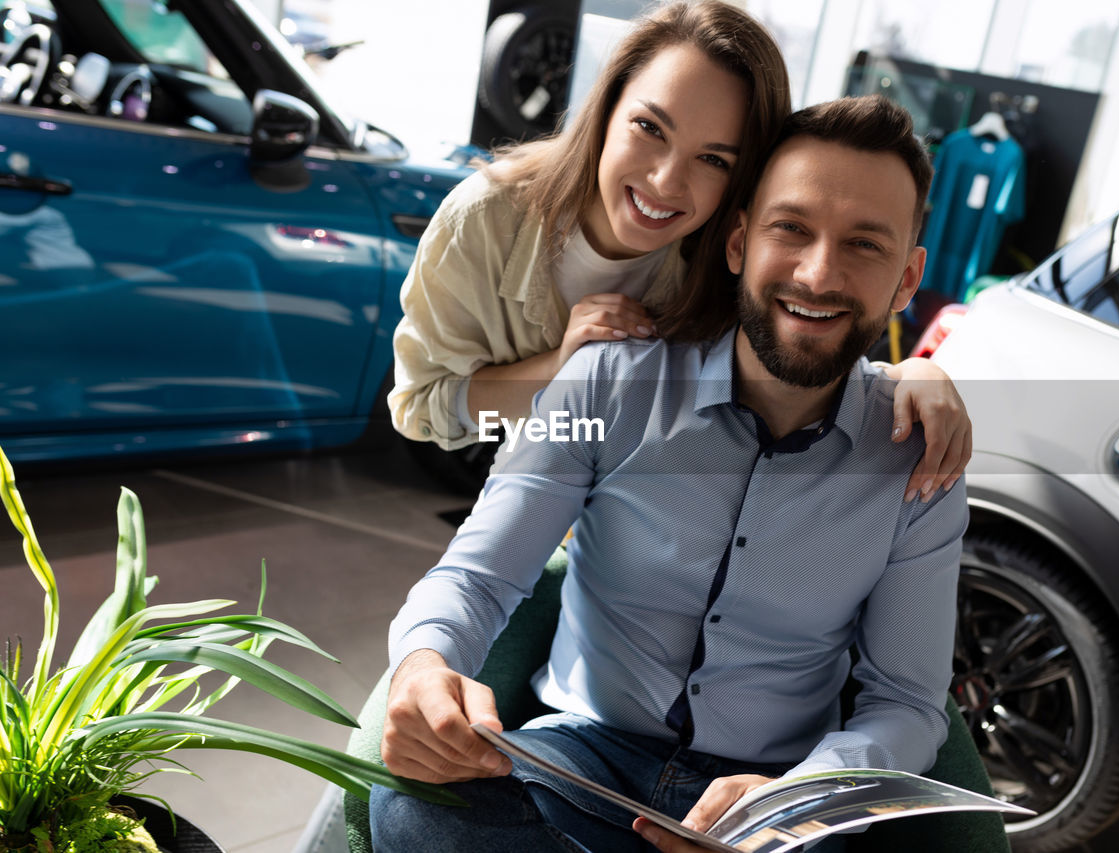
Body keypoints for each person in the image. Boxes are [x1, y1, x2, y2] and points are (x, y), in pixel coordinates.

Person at [371, 94, 967, 853]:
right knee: (420, 819)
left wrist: (801, 796)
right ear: (739, 242)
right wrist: (425, 661)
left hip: (776, 798)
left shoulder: (921, 454)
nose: (819, 273)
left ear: (907, 279)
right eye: (791, 229)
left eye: (864, 245)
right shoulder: (607, 384)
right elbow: (478, 575)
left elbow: (907, 703)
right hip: (581, 761)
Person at [388, 0, 970, 502]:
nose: (667, 182)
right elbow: (425, 413)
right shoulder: (487, 220)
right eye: (650, 128)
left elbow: (798, 349)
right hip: (540, 493)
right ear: (608, 106)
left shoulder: (729, 253)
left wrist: (907, 377)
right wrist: (558, 371)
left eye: (714, 159)